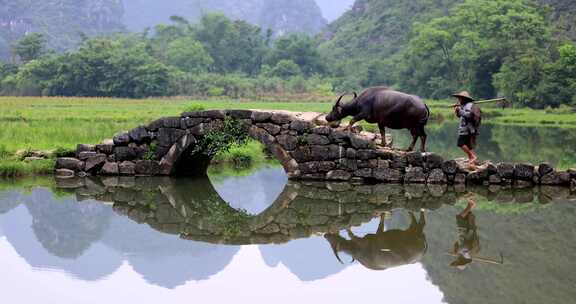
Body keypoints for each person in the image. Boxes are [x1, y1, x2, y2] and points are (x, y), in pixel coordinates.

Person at [452, 91, 479, 169]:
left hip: (467, 128)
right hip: (465, 128)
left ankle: (473, 156)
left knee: (460, 143)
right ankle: (471, 161)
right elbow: (459, 115)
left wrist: (459, 111)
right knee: (468, 145)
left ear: (464, 99)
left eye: (460, 98)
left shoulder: (469, 105)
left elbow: (469, 115)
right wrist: (457, 110)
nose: (459, 100)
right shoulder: (463, 105)